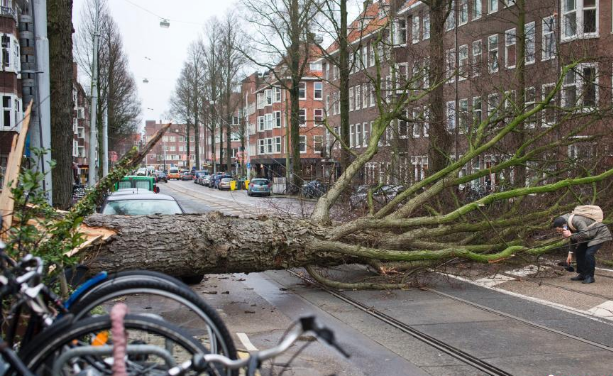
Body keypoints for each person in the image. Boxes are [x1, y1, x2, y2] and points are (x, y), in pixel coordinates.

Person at [552, 214, 611, 284]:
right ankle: (583, 274)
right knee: (579, 251)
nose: (559, 232)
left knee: (589, 253)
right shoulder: (566, 224)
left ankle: (590, 277)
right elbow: (573, 239)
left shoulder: (577, 221)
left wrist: (571, 235)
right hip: (590, 235)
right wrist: (570, 254)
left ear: (563, 225)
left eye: (559, 230)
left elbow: (585, 234)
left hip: (600, 233)